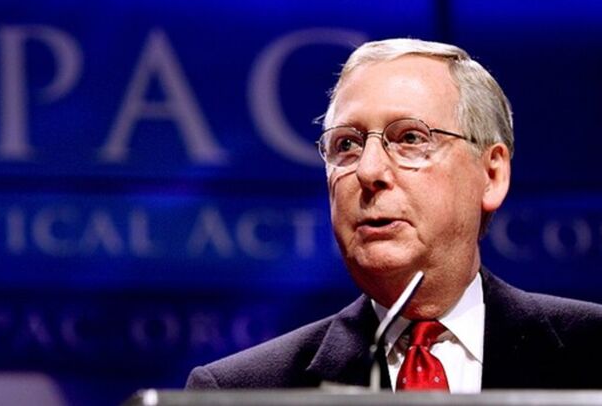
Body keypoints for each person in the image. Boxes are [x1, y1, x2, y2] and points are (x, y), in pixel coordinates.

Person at [186, 38, 602, 392]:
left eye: (409, 138)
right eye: (346, 145)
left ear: (491, 175)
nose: (368, 171)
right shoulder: (241, 393)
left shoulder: (590, 350)